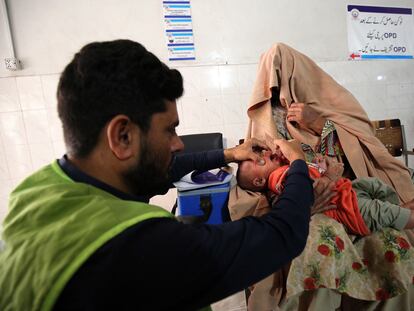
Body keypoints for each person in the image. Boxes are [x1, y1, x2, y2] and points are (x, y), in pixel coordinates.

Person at [0, 40, 316, 311]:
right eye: (170, 130)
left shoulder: (39, 189)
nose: (178, 144)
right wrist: (298, 164)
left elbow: (160, 171)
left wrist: (230, 154)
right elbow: (282, 235)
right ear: (122, 136)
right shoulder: (138, 249)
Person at [237, 140, 414, 235]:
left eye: (262, 152)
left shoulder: (285, 169)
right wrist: (327, 174)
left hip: (347, 192)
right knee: (384, 212)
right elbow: (307, 191)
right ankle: (399, 216)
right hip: (349, 209)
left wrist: (319, 168)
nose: (266, 153)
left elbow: (310, 178)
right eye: (261, 160)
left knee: (373, 185)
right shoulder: (278, 178)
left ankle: (397, 212)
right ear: (259, 181)